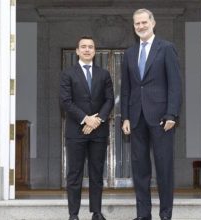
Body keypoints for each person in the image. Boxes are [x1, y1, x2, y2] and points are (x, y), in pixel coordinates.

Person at [121, 8, 182, 220]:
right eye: (137, 23)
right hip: (136, 119)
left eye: (144, 22)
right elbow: (126, 89)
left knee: (164, 169)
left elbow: (175, 84)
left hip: (162, 120)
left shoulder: (166, 48)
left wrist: (172, 114)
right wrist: (126, 117)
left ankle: (165, 215)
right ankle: (143, 215)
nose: (141, 26)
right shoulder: (129, 53)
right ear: (134, 26)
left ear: (153, 23)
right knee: (140, 171)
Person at [60, 36, 114, 220]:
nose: (87, 49)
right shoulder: (67, 74)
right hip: (76, 131)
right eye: (83, 47)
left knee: (96, 173)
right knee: (74, 174)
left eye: (90, 47)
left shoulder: (104, 74)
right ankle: (73, 214)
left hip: (98, 132)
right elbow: (66, 102)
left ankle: (96, 212)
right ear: (77, 51)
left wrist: (97, 120)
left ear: (94, 50)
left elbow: (109, 100)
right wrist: (85, 119)